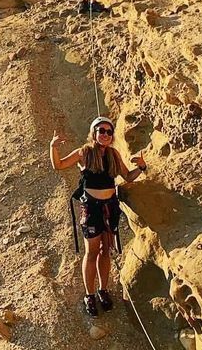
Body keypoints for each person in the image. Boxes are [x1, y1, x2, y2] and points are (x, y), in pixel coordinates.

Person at [50, 117, 147, 317]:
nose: (105, 134)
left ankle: (103, 290)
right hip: (92, 208)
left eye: (109, 132)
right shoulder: (84, 153)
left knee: (106, 249)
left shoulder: (113, 154)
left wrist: (142, 167)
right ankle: (90, 294)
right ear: (94, 132)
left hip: (110, 208)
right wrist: (53, 147)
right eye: (101, 130)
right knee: (92, 252)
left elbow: (128, 176)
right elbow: (58, 165)